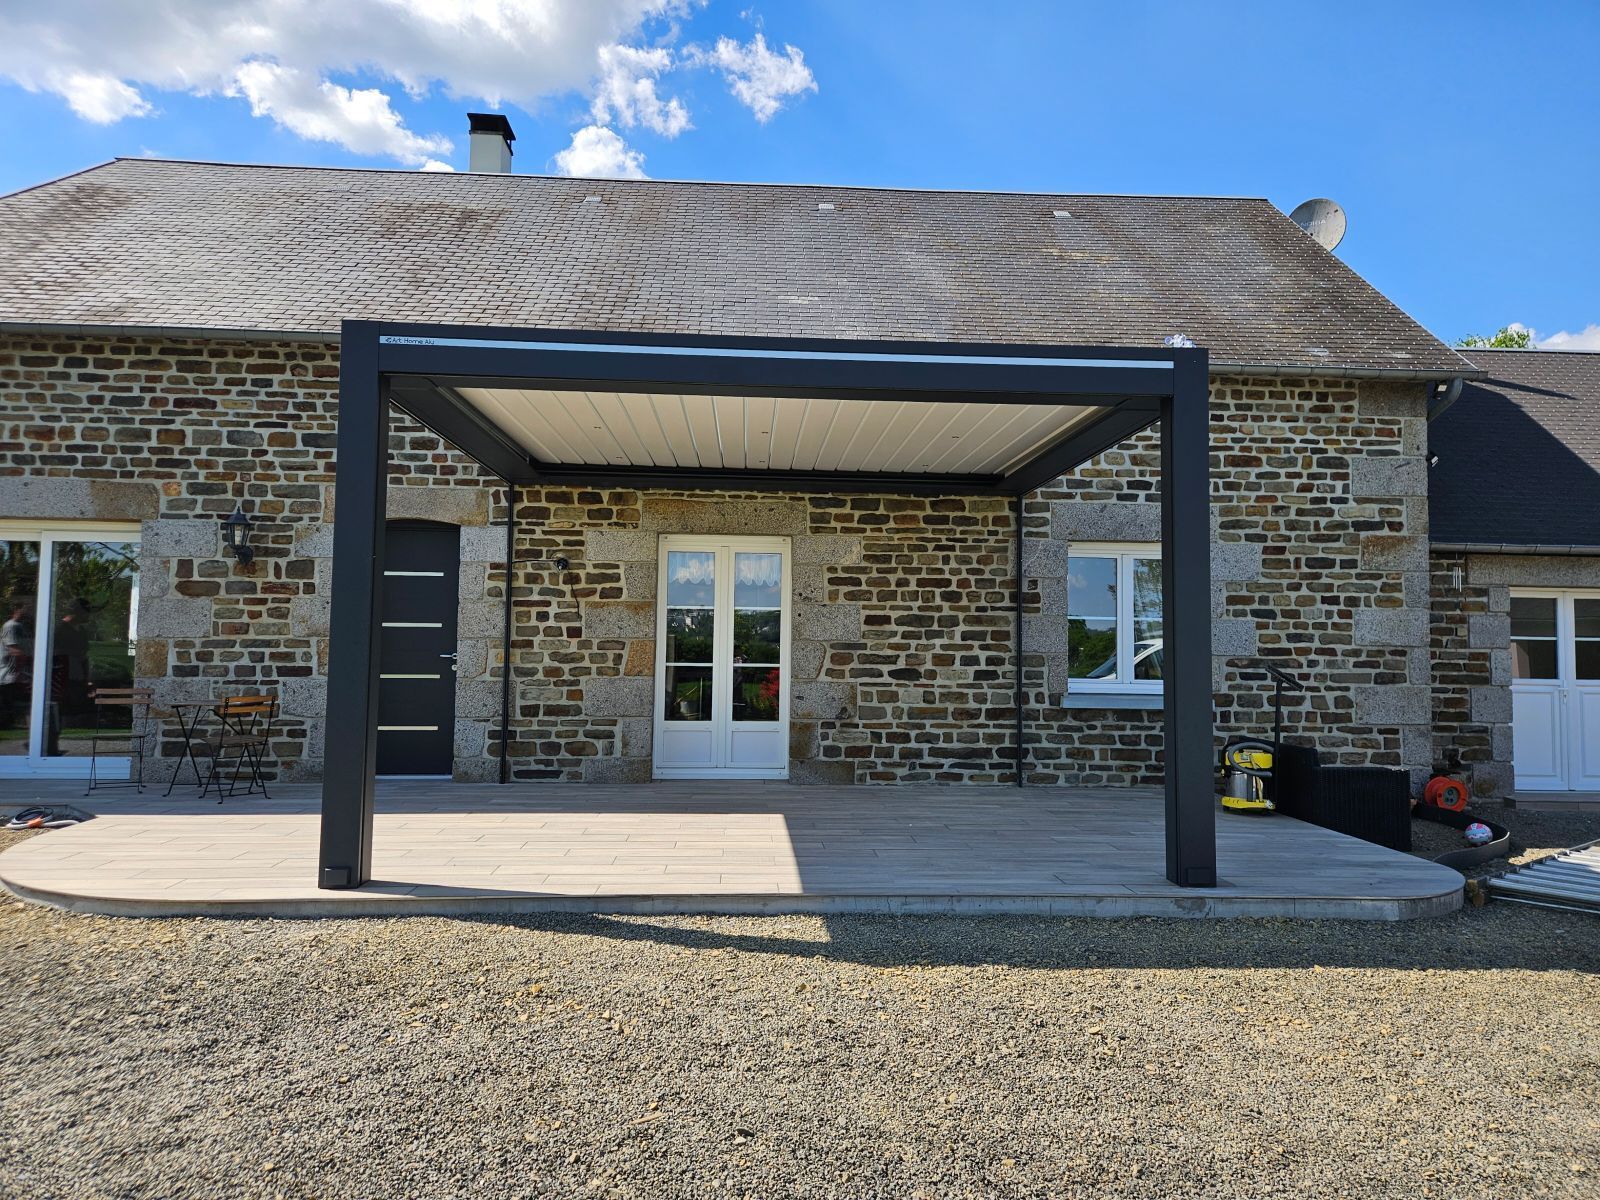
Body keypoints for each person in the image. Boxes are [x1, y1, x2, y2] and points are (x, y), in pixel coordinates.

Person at [1, 601, 34, 736]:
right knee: (9, 708)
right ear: (17, 609)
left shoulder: (22, 627)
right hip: (9, 676)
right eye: (26, 608)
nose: (29, 611)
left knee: (24, 706)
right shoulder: (11, 626)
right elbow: (14, 650)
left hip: (19, 675)